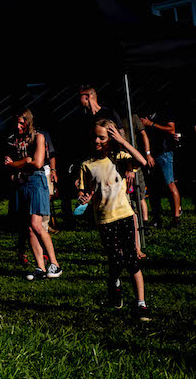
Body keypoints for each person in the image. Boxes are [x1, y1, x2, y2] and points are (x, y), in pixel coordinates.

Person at [78, 119, 152, 320]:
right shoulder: (87, 165)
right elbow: (85, 191)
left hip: (125, 216)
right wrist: (84, 197)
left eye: (101, 137)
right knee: (115, 261)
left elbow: (143, 162)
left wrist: (123, 141)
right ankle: (115, 285)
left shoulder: (120, 158)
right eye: (94, 136)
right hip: (104, 220)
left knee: (131, 259)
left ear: (111, 139)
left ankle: (141, 304)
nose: (96, 140)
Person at [6, 109, 63, 281]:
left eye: (22, 123)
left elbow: (37, 162)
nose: (18, 126)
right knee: (29, 229)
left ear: (29, 122)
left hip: (36, 182)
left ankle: (55, 264)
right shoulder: (16, 140)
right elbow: (9, 164)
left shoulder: (39, 137)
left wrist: (18, 164)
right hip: (22, 183)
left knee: (36, 225)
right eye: (17, 123)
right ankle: (40, 266)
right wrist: (23, 162)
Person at [141, 110, 182, 228]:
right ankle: (156, 218)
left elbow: (171, 129)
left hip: (164, 152)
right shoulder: (143, 112)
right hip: (151, 153)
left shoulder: (164, 111)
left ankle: (176, 218)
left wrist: (151, 124)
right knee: (153, 188)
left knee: (170, 184)